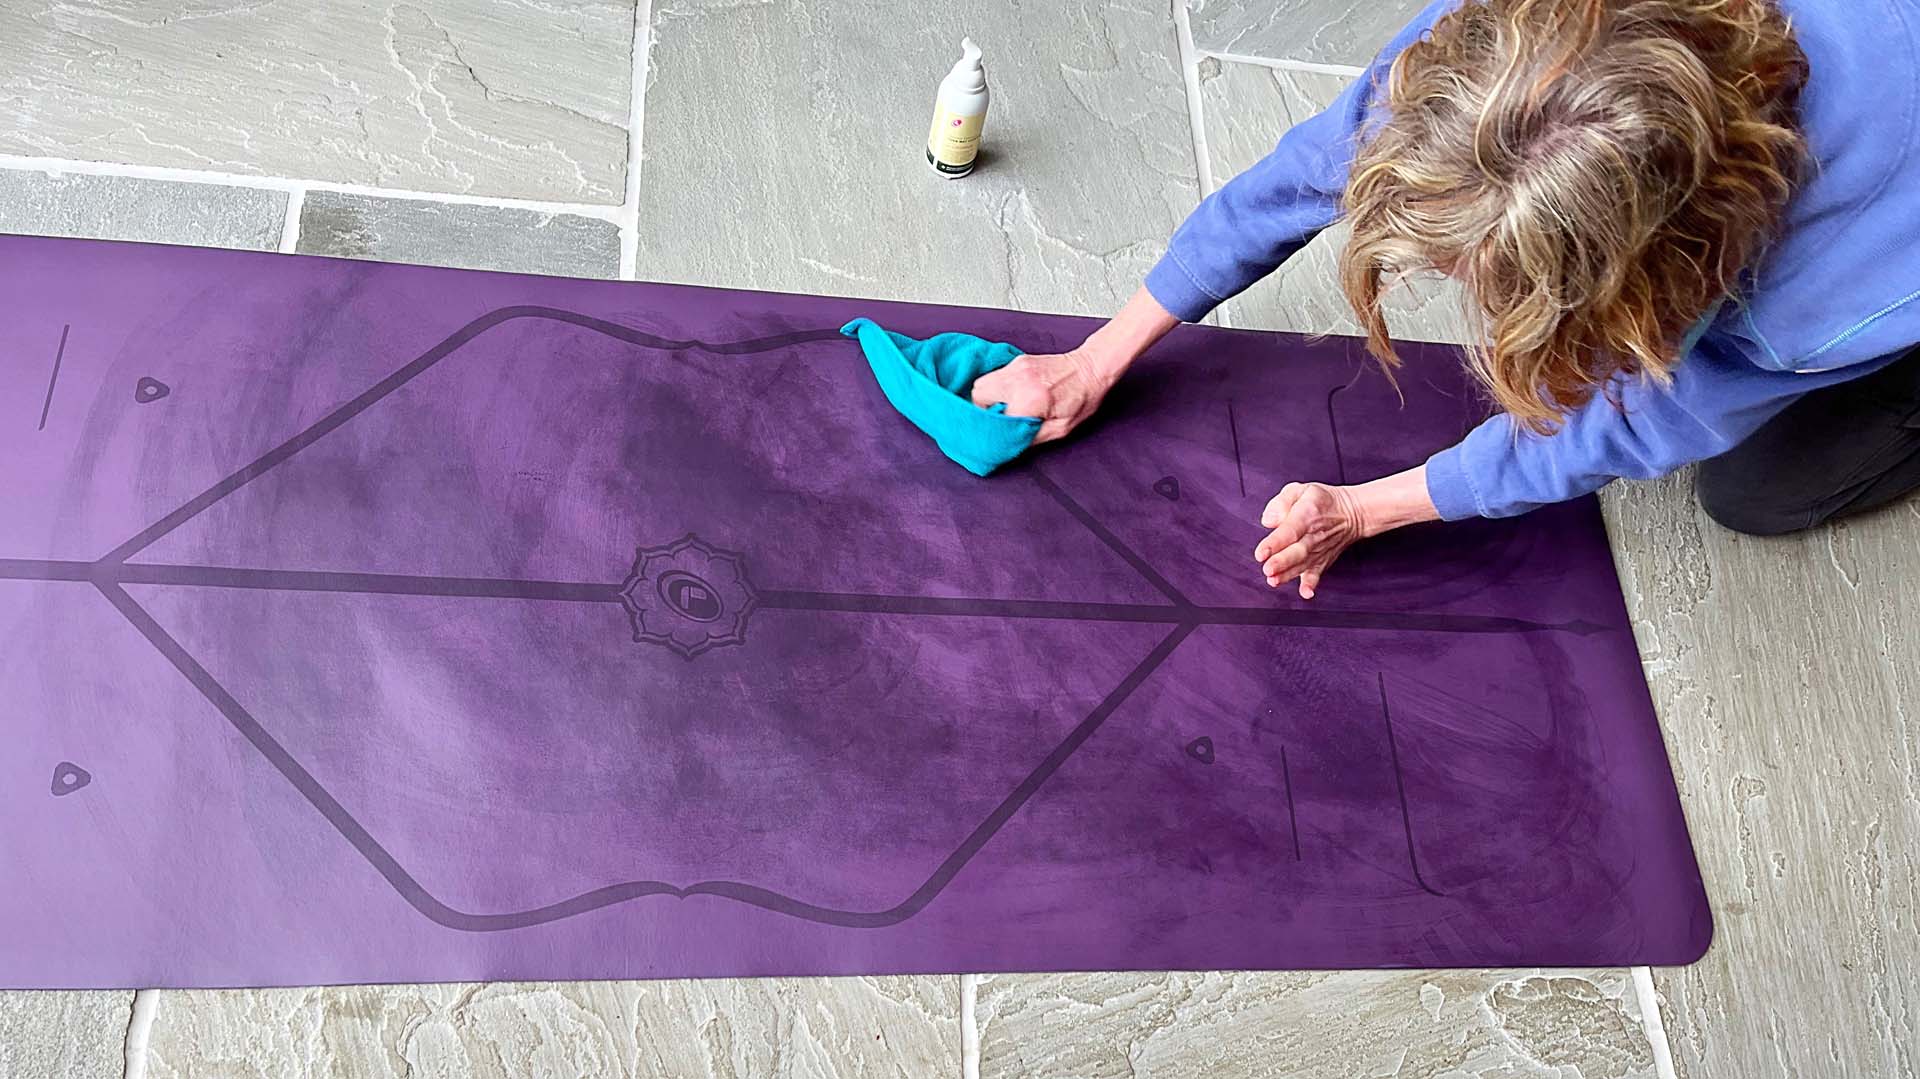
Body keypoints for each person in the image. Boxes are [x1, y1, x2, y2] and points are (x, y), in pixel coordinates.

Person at [971, 0, 1920, 599]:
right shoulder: (1518, 52)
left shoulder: (1804, 303)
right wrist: (1096, 359)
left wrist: (1365, 510)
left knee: (1754, 492)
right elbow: (1311, 171)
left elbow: (1616, 429)